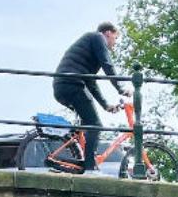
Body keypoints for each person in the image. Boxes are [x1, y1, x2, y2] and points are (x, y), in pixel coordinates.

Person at [53, 22, 131, 171]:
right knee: (95, 124)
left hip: (63, 85)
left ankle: (79, 156)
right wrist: (121, 88)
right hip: (72, 84)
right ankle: (90, 167)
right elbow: (108, 65)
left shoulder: (89, 48)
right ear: (108, 33)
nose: (114, 44)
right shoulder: (97, 38)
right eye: (115, 39)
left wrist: (106, 105)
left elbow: (91, 82)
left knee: (88, 121)